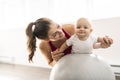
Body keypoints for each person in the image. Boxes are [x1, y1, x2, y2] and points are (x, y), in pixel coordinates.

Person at [25, 17, 113, 67]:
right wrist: (56, 60)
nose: (60, 31)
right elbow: (50, 63)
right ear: (47, 39)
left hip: (84, 64)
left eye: (58, 26)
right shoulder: (44, 46)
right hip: (67, 69)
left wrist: (102, 45)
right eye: (55, 34)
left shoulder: (71, 29)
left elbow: (88, 43)